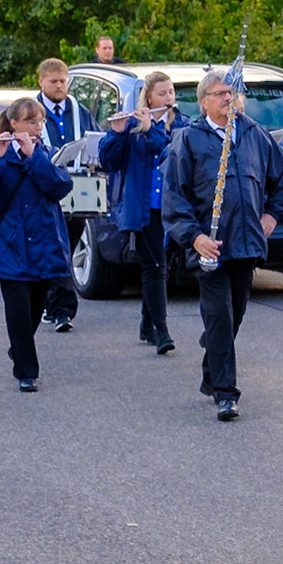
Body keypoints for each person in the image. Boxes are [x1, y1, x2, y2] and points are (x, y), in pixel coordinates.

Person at [162, 69, 283, 421]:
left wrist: (272, 217)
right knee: (219, 315)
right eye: (222, 93)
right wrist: (194, 238)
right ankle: (227, 394)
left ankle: (213, 365)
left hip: (247, 245)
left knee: (233, 314)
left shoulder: (255, 135)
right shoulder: (189, 140)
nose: (229, 99)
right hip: (209, 249)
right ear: (204, 101)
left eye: (233, 93)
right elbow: (174, 198)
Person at [0, 99, 73, 393]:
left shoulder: (46, 154)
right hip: (10, 245)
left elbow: (60, 186)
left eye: (40, 122)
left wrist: (33, 156)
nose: (37, 128)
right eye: (31, 122)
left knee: (36, 308)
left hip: (44, 244)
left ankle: (19, 347)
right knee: (18, 311)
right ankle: (27, 371)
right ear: (14, 124)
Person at [98, 70, 185, 353]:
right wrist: (117, 133)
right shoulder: (135, 127)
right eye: (162, 94)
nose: (169, 98)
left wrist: (152, 130)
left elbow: (171, 153)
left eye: (171, 92)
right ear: (148, 97)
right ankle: (162, 332)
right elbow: (109, 161)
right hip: (144, 208)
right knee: (154, 266)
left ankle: (147, 324)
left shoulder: (180, 125)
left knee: (164, 264)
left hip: (172, 207)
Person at [34, 58, 95, 330]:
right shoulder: (31, 111)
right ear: (41, 82)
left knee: (67, 246)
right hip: (44, 190)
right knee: (54, 246)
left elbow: (94, 138)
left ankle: (51, 301)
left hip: (77, 190)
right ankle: (62, 310)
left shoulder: (79, 111)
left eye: (63, 81)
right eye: (54, 81)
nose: (60, 86)